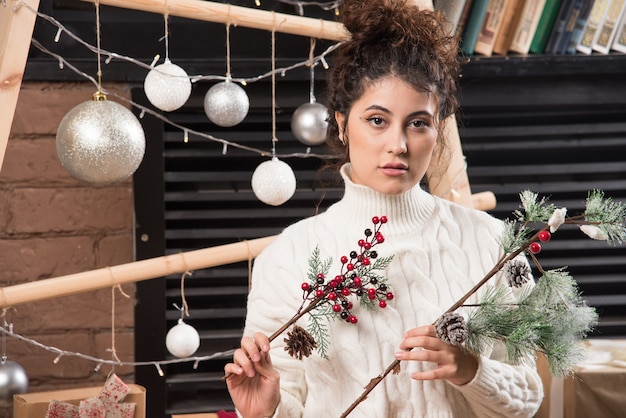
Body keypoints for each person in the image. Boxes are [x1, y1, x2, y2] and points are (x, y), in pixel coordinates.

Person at [224, 0, 544, 417]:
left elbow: (529, 398)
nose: (399, 144)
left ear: (437, 128)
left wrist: (471, 370)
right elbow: (292, 404)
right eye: (377, 120)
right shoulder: (287, 258)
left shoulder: (493, 243)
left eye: (418, 122)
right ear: (341, 122)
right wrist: (264, 411)